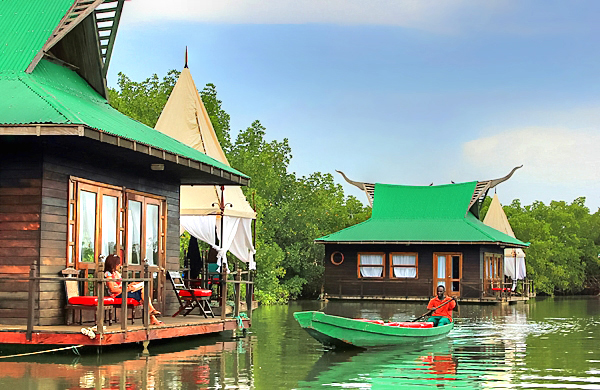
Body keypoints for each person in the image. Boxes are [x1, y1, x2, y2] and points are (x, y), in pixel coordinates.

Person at [104, 254, 163, 325]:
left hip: (123, 292)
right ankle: (151, 313)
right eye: (118, 264)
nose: (119, 265)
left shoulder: (116, 273)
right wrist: (128, 288)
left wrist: (131, 285)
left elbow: (121, 285)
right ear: (113, 264)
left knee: (143, 292)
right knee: (142, 294)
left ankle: (152, 314)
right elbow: (113, 289)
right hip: (117, 295)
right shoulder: (108, 274)